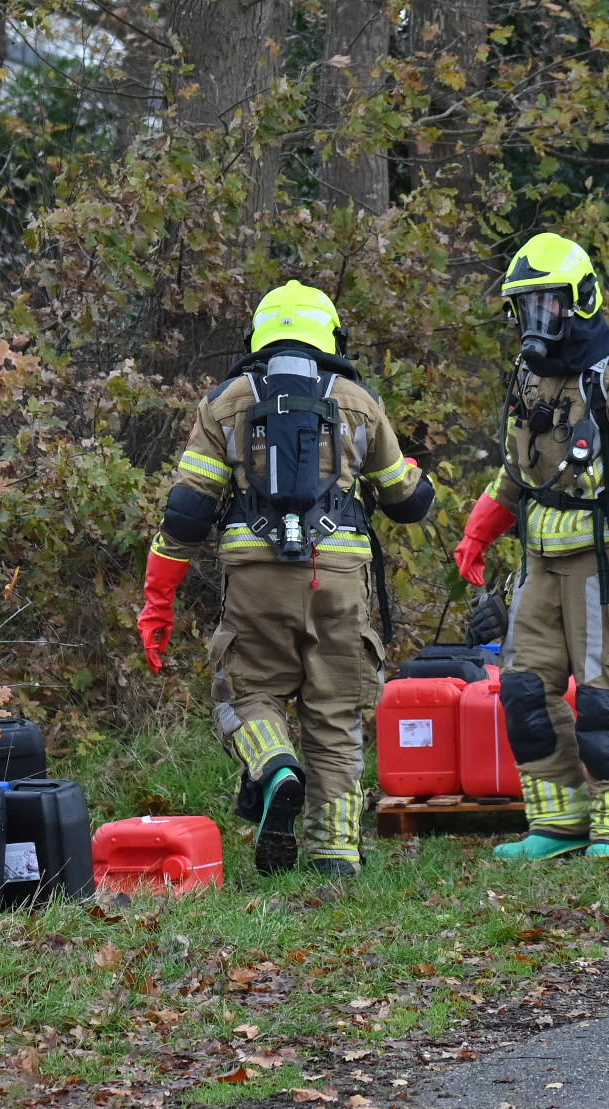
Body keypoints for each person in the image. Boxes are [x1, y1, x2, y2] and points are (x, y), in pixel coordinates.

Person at [137, 281, 436, 878]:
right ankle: (336, 852)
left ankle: (275, 766)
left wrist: (158, 602)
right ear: (329, 336)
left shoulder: (225, 403)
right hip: (339, 576)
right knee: (337, 709)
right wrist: (414, 475)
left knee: (246, 692)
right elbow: (408, 502)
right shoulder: (358, 401)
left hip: (255, 576)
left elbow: (186, 514)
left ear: (260, 337)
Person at [452, 233, 609, 861]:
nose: (536, 320)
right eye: (526, 307)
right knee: (524, 687)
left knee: (604, 695)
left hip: (605, 558)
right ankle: (558, 821)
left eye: (547, 305)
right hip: (539, 560)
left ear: (580, 300)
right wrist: (479, 533)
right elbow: (517, 473)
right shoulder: (531, 376)